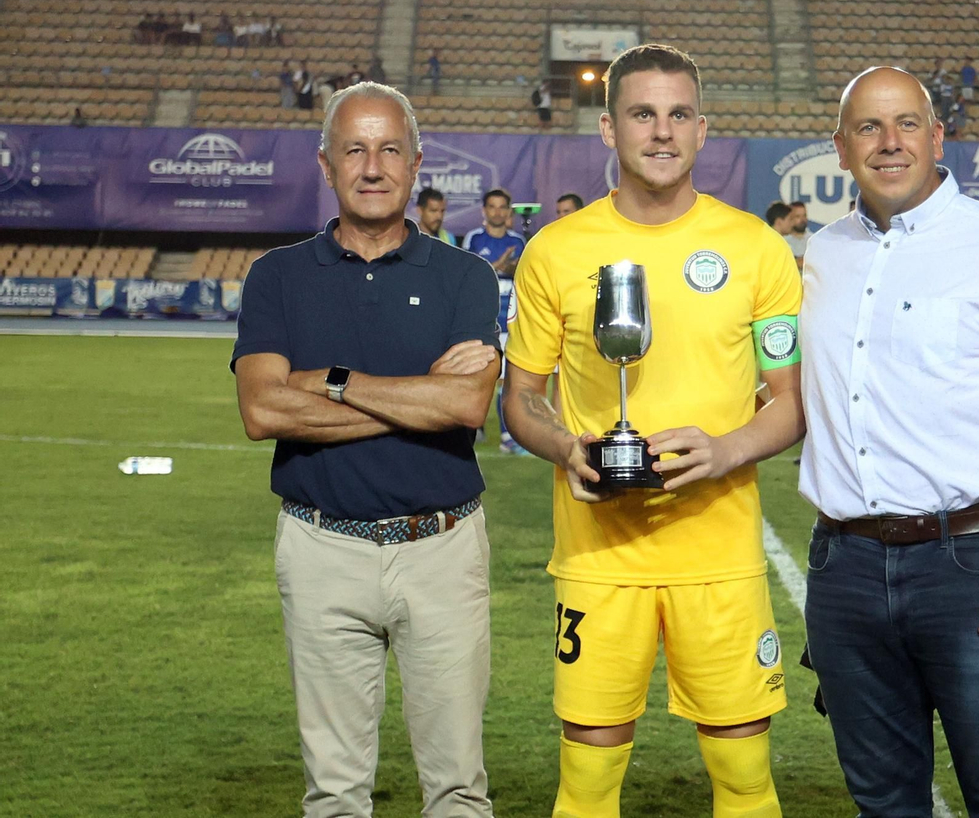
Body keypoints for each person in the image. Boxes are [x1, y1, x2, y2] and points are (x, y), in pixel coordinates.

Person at [501, 44, 802, 818]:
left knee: (747, 783)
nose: (662, 132)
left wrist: (727, 449)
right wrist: (567, 447)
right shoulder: (555, 251)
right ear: (608, 128)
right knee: (586, 789)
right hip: (599, 560)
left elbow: (792, 401)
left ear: (703, 129)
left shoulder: (756, 248)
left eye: (678, 114)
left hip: (720, 559)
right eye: (642, 114)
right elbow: (521, 398)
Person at [799, 66, 979, 817]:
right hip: (845, 565)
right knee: (883, 802)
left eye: (907, 124)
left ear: (938, 136)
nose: (889, 143)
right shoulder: (823, 253)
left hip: (976, 564)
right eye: (868, 127)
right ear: (841, 148)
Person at [231, 82, 501, 818]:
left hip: (442, 549)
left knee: (457, 789)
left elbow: (467, 406)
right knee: (334, 794)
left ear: (416, 164)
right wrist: (420, 402)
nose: (373, 167)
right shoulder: (278, 275)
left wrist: (335, 383)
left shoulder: (466, 276)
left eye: (389, 150)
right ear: (326, 165)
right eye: (354, 150)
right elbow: (262, 409)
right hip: (321, 549)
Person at [462, 188, 528, 454]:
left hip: (510, 321)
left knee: (507, 380)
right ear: (484, 211)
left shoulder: (519, 241)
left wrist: (514, 268)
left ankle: (506, 436)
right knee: (479, 377)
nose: (497, 212)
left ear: (509, 211)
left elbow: (525, 275)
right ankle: (473, 427)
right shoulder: (474, 238)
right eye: (492, 206)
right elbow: (469, 273)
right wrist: (499, 265)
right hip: (483, 320)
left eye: (502, 207)